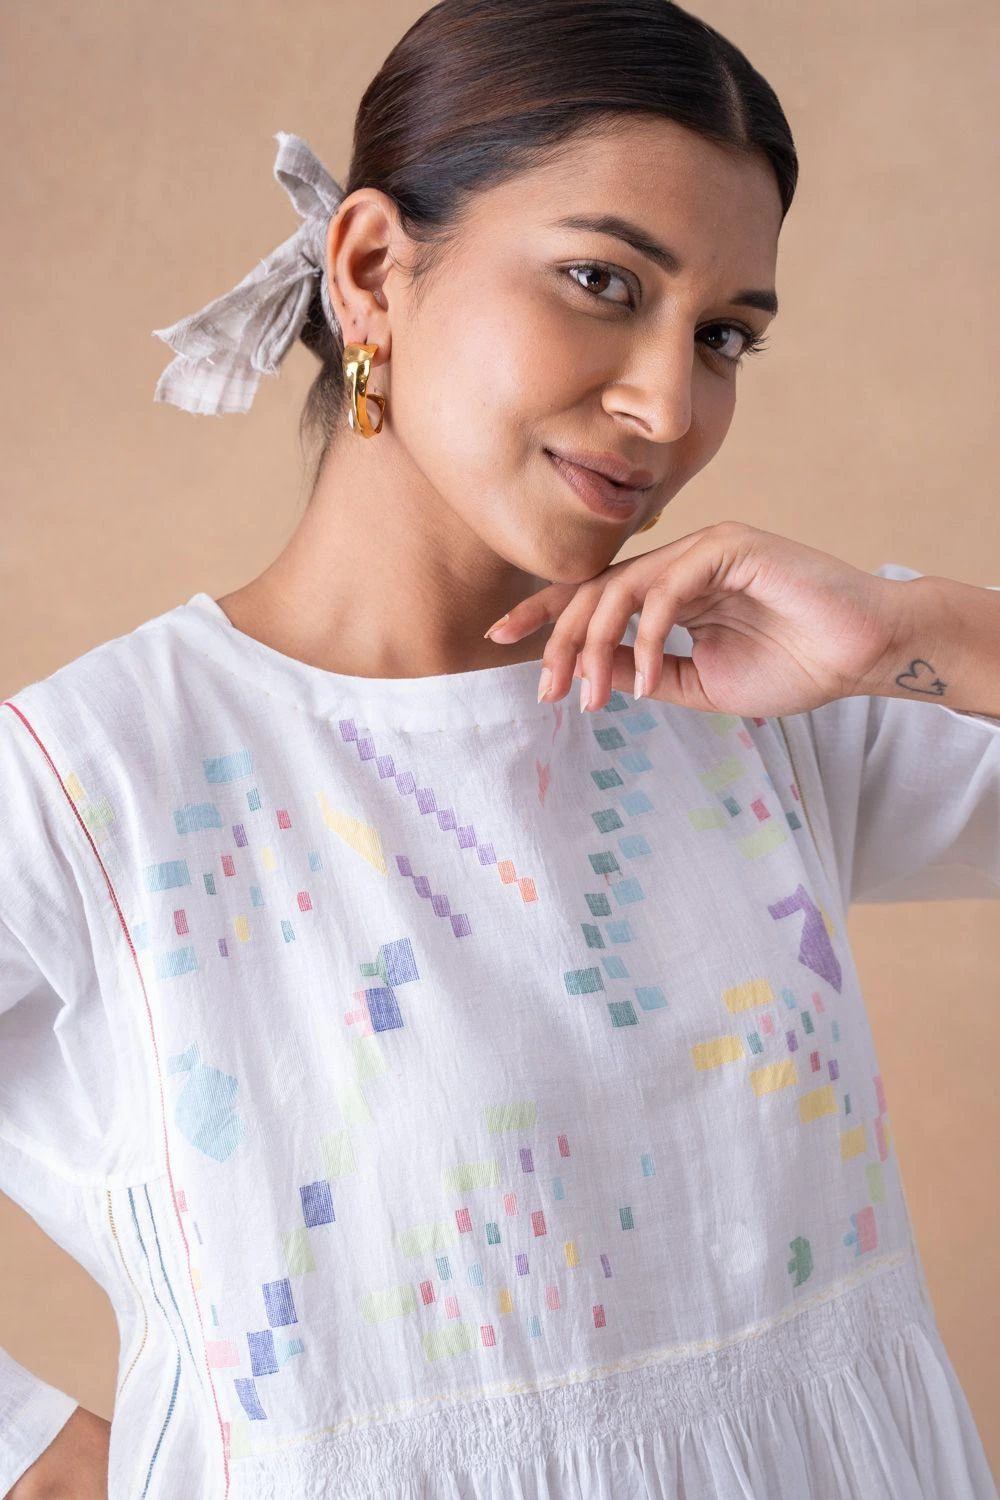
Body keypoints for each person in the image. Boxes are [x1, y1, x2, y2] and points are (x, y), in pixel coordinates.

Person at [2, 1, 998, 1496]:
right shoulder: (98, 783)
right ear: (371, 270)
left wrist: (919, 633)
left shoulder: (762, 699)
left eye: (723, 335)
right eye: (603, 281)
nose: (668, 404)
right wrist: (38, 1459)